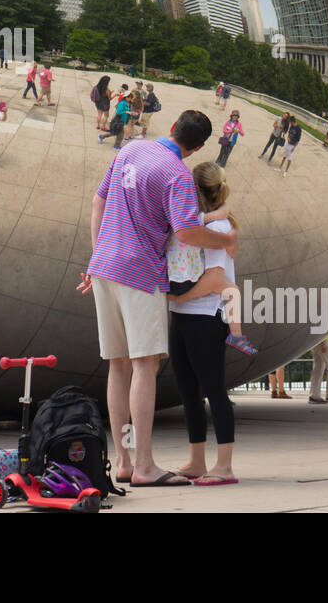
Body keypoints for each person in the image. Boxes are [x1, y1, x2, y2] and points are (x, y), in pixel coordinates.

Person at [76, 110, 238, 488]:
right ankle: (146, 465)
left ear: (171, 128)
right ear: (198, 147)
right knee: (144, 365)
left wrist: (98, 253)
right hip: (139, 272)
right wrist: (225, 239)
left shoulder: (130, 150)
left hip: (103, 267)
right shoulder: (177, 174)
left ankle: (124, 460)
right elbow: (186, 233)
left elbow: (98, 203)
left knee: (117, 366)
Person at [165, 161, 242, 484]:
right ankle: (197, 460)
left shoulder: (220, 231)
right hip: (183, 318)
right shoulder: (195, 224)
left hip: (207, 316)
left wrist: (180, 298)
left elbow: (215, 280)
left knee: (214, 390)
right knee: (188, 391)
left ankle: (224, 466)